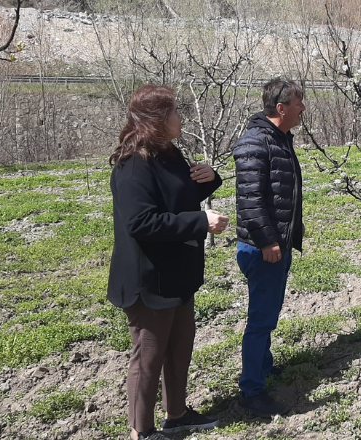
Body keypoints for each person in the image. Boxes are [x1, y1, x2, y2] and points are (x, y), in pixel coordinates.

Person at [108, 84, 227, 439]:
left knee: (178, 349)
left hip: (177, 275)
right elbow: (141, 222)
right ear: (157, 120)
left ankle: (176, 414)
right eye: (174, 112)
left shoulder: (168, 154)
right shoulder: (133, 165)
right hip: (149, 280)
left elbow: (175, 198)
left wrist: (210, 178)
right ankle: (141, 431)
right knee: (148, 359)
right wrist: (201, 221)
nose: (180, 118)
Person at [232, 79, 305, 418]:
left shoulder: (279, 140)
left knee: (269, 312)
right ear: (281, 108)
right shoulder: (256, 143)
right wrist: (268, 241)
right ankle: (252, 390)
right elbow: (250, 202)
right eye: (298, 103)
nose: (302, 109)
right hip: (262, 248)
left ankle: (263, 366)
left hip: (277, 244)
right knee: (261, 319)